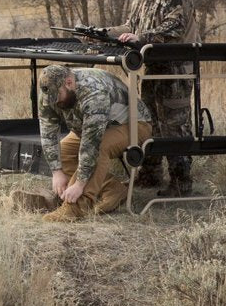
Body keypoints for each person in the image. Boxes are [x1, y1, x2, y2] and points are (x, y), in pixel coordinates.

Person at [106, 0, 196, 197]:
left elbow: (174, 27)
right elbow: (130, 27)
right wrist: (103, 33)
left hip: (175, 71)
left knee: (174, 125)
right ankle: (150, 175)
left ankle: (181, 182)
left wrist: (140, 38)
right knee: (149, 123)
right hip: (151, 70)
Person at [37, 64, 153, 222]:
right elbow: (48, 133)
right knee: (64, 151)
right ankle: (113, 189)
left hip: (134, 125)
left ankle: (76, 207)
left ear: (69, 83)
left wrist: (79, 184)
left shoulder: (94, 92)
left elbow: (92, 145)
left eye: (58, 97)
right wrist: (56, 172)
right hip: (95, 128)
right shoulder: (50, 91)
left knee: (99, 148)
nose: (55, 103)